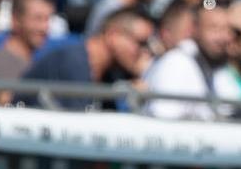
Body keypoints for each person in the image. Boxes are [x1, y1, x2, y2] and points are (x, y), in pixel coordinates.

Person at [20, 7, 154, 108]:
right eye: (140, 43)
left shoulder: (110, 75)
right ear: (113, 35)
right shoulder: (72, 62)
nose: (145, 52)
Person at [143, 0, 236, 120]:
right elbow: (162, 117)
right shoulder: (176, 62)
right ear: (194, 29)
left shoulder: (214, 67)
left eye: (228, 30)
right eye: (214, 28)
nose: (223, 37)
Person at [0, 0, 53, 102]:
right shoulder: (2, 60)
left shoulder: (37, 62)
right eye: (37, 19)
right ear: (16, 21)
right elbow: (7, 103)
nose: (45, 27)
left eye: (47, 19)